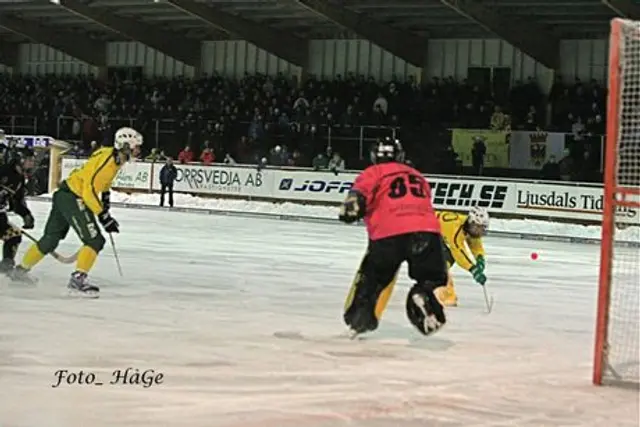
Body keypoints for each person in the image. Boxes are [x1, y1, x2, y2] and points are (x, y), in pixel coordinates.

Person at [11, 127, 143, 297]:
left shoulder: (115, 158)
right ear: (125, 145)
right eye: (136, 147)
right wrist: (103, 216)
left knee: (50, 239)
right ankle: (78, 279)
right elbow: (88, 190)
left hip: (65, 194)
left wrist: (106, 196)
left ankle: (21, 271)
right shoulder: (108, 159)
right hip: (74, 197)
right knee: (95, 240)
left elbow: (101, 181)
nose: (139, 150)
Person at [338, 137, 448, 337]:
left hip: (389, 232)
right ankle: (422, 293)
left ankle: (360, 320)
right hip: (427, 231)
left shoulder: (374, 172)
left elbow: (360, 195)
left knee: (373, 279)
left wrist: (352, 206)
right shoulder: (417, 175)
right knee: (432, 277)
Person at [435, 208, 489, 307]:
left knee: (444, 262)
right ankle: (445, 296)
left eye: (482, 228)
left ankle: (441, 291)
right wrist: (473, 269)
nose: (479, 231)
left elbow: (476, 245)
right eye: (477, 227)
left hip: (437, 237)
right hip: (421, 231)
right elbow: (459, 253)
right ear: (470, 223)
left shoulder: (469, 227)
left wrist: (480, 259)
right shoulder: (454, 228)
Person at [0, 146, 35, 274]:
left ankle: (6, 266)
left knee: (14, 235)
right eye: (29, 159)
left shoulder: (19, 179)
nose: (32, 162)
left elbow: (16, 201)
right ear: (20, 159)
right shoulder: (3, 171)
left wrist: (26, 215)